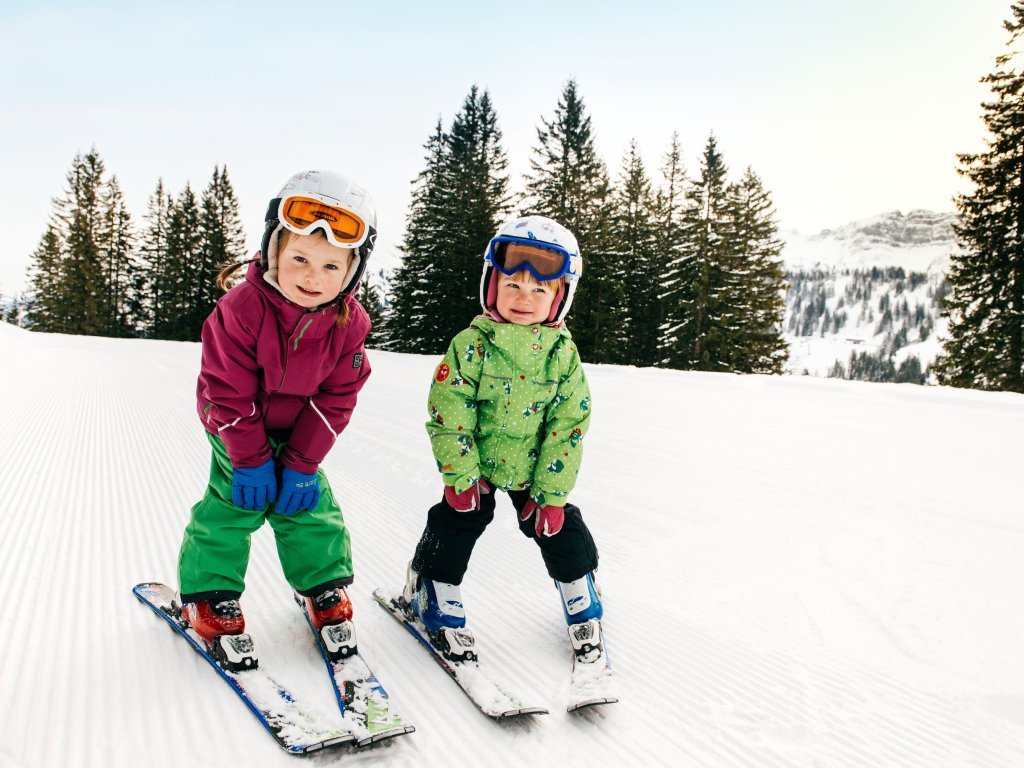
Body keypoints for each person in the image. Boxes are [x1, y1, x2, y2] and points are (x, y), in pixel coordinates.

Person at [177, 169, 376, 668]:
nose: (313, 277)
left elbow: (337, 398)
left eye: (332, 267)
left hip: (296, 429)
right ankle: (210, 592)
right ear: (273, 253)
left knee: (308, 507)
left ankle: (323, 586)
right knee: (236, 504)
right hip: (235, 424)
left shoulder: (349, 323)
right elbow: (225, 390)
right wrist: (248, 459)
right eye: (301, 259)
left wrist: (303, 464)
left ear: (353, 270)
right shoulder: (241, 308)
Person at [401, 215, 605, 665]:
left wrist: (550, 493)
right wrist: (460, 476)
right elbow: (449, 413)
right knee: (457, 522)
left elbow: (569, 423)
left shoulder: (562, 354)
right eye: (512, 285)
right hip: (477, 466)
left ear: (559, 297)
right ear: (491, 286)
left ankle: (580, 588)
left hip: (535, 469)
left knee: (558, 526)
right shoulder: (471, 344)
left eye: (538, 291)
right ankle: (432, 587)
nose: (523, 299)